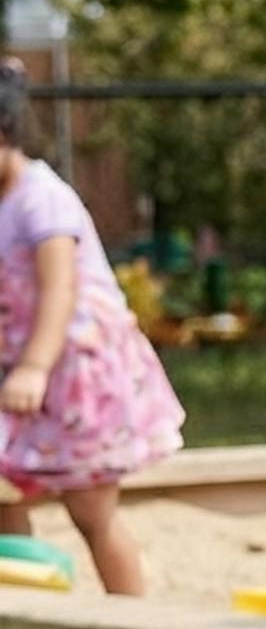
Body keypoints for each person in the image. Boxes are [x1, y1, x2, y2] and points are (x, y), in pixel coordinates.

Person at [0, 58, 182, 593]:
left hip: (75, 371)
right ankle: (23, 608)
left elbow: (61, 288)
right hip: (19, 370)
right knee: (5, 490)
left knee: (91, 511)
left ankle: (136, 619)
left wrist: (34, 366)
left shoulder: (41, 198)